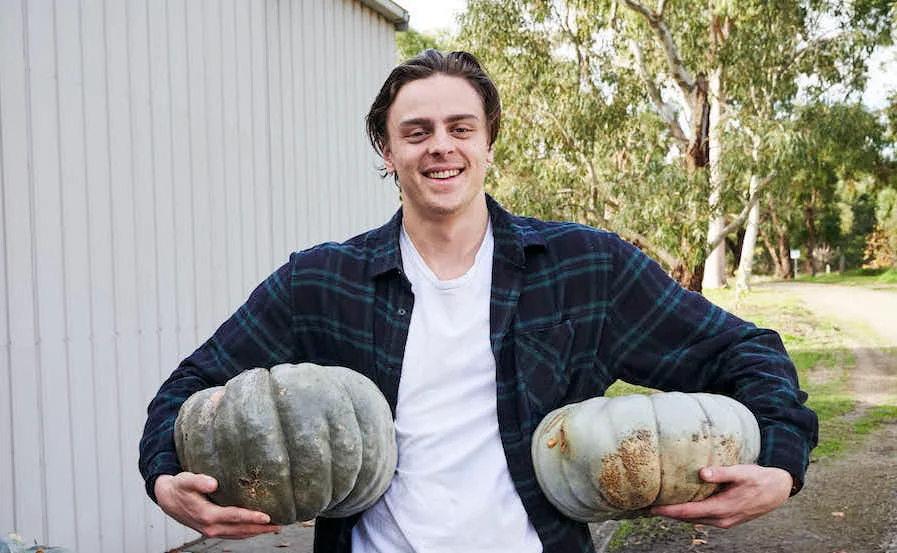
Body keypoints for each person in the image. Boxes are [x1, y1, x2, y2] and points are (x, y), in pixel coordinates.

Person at [139, 50, 818, 552]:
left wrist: (782, 466)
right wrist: (165, 477)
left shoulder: (586, 268)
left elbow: (741, 350)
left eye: (460, 127)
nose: (441, 146)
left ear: (489, 140)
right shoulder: (321, 281)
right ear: (386, 150)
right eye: (417, 131)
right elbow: (193, 385)